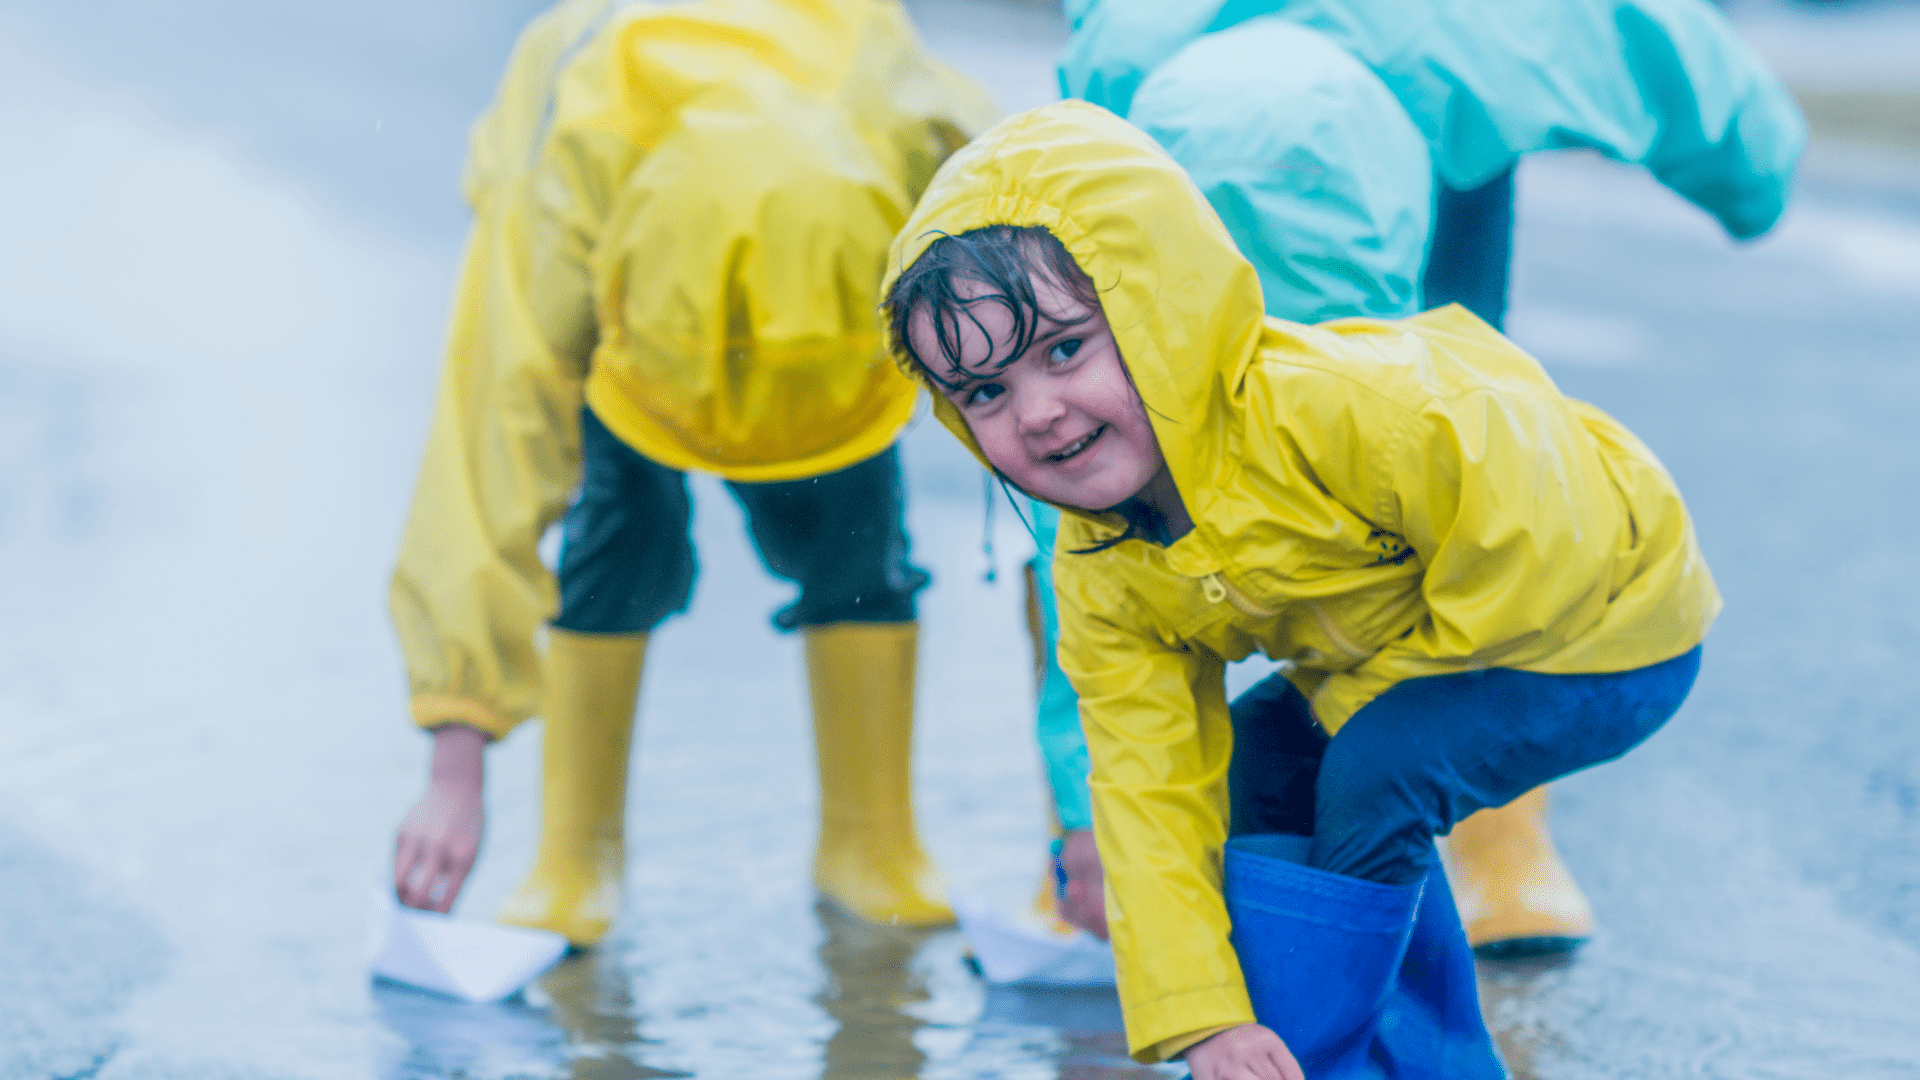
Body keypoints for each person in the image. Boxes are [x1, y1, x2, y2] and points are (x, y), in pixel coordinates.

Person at [882, 102, 1719, 1076]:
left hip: (1608, 622)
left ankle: (1331, 1061)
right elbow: (1148, 792)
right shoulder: (1100, 565)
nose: (1037, 412)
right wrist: (1203, 1021)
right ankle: (1358, 1057)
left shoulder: (1349, 411)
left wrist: (1364, 704)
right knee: (1255, 774)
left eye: (1065, 349)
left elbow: (1545, 519)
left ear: (1156, 311)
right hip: (1398, 658)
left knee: (1374, 775)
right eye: (983, 391)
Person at [1022, 0, 1802, 955]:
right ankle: (1091, 836)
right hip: (1187, 122)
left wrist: (1751, 178)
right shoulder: (1125, 79)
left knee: (1451, 439)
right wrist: (1096, 807)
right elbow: (1086, 553)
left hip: (1439, 135)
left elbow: (1670, 61)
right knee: (1116, 468)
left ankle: (1501, 840)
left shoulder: (1487, 40)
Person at [387, 0, 996, 946]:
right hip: (625, 290)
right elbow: (487, 450)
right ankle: (573, 853)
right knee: (620, 540)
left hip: (824, 325)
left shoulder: (897, 99)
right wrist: (455, 757)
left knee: (855, 547)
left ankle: (871, 841)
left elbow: (1041, 228)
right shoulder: (566, 181)